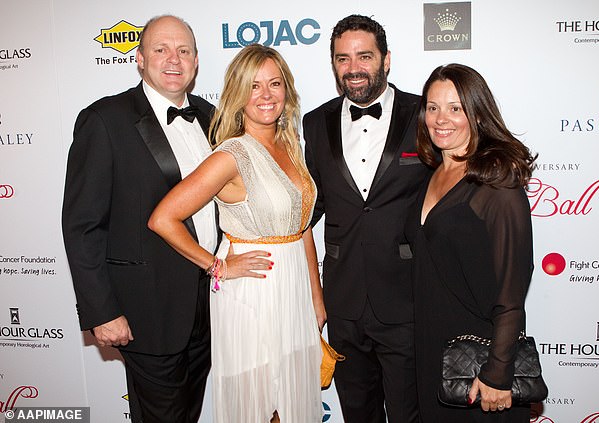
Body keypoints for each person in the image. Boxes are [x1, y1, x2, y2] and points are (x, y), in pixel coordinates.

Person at [148, 44, 325, 423]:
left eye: (274, 84)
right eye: (254, 85)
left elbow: (302, 227)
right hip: (253, 294)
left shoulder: (290, 145)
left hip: (294, 293)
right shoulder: (231, 155)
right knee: (263, 406)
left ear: (287, 90)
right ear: (237, 94)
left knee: (294, 404)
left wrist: (316, 298)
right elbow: (164, 218)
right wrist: (217, 266)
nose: (265, 95)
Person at [62, 15, 218, 423]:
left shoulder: (212, 117)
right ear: (139, 58)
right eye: (161, 49)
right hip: (146, 310)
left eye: (184, 51)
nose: (173, 60)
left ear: (197, 61)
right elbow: (82, 226)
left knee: (189, 413)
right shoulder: (105, 120)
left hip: (211, 307)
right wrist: (101, 311)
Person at [303, 14, 427, 423]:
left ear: (386, 60)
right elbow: (308, 206)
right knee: (357, 413)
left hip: (407, 298)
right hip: (344, 302)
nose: (353, 68)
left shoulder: (425, 114)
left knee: (410, 414)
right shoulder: (314, 122)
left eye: (364, 56)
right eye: (342, 58)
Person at [406, 63, 536, 422]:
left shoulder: (497, 185)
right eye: (432, 107)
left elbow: (512, 291)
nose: (441, 118)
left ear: (477, 114)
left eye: (455, 108)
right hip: (433, 349)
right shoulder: (433, 174)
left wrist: (498, 371)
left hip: (479, 359)